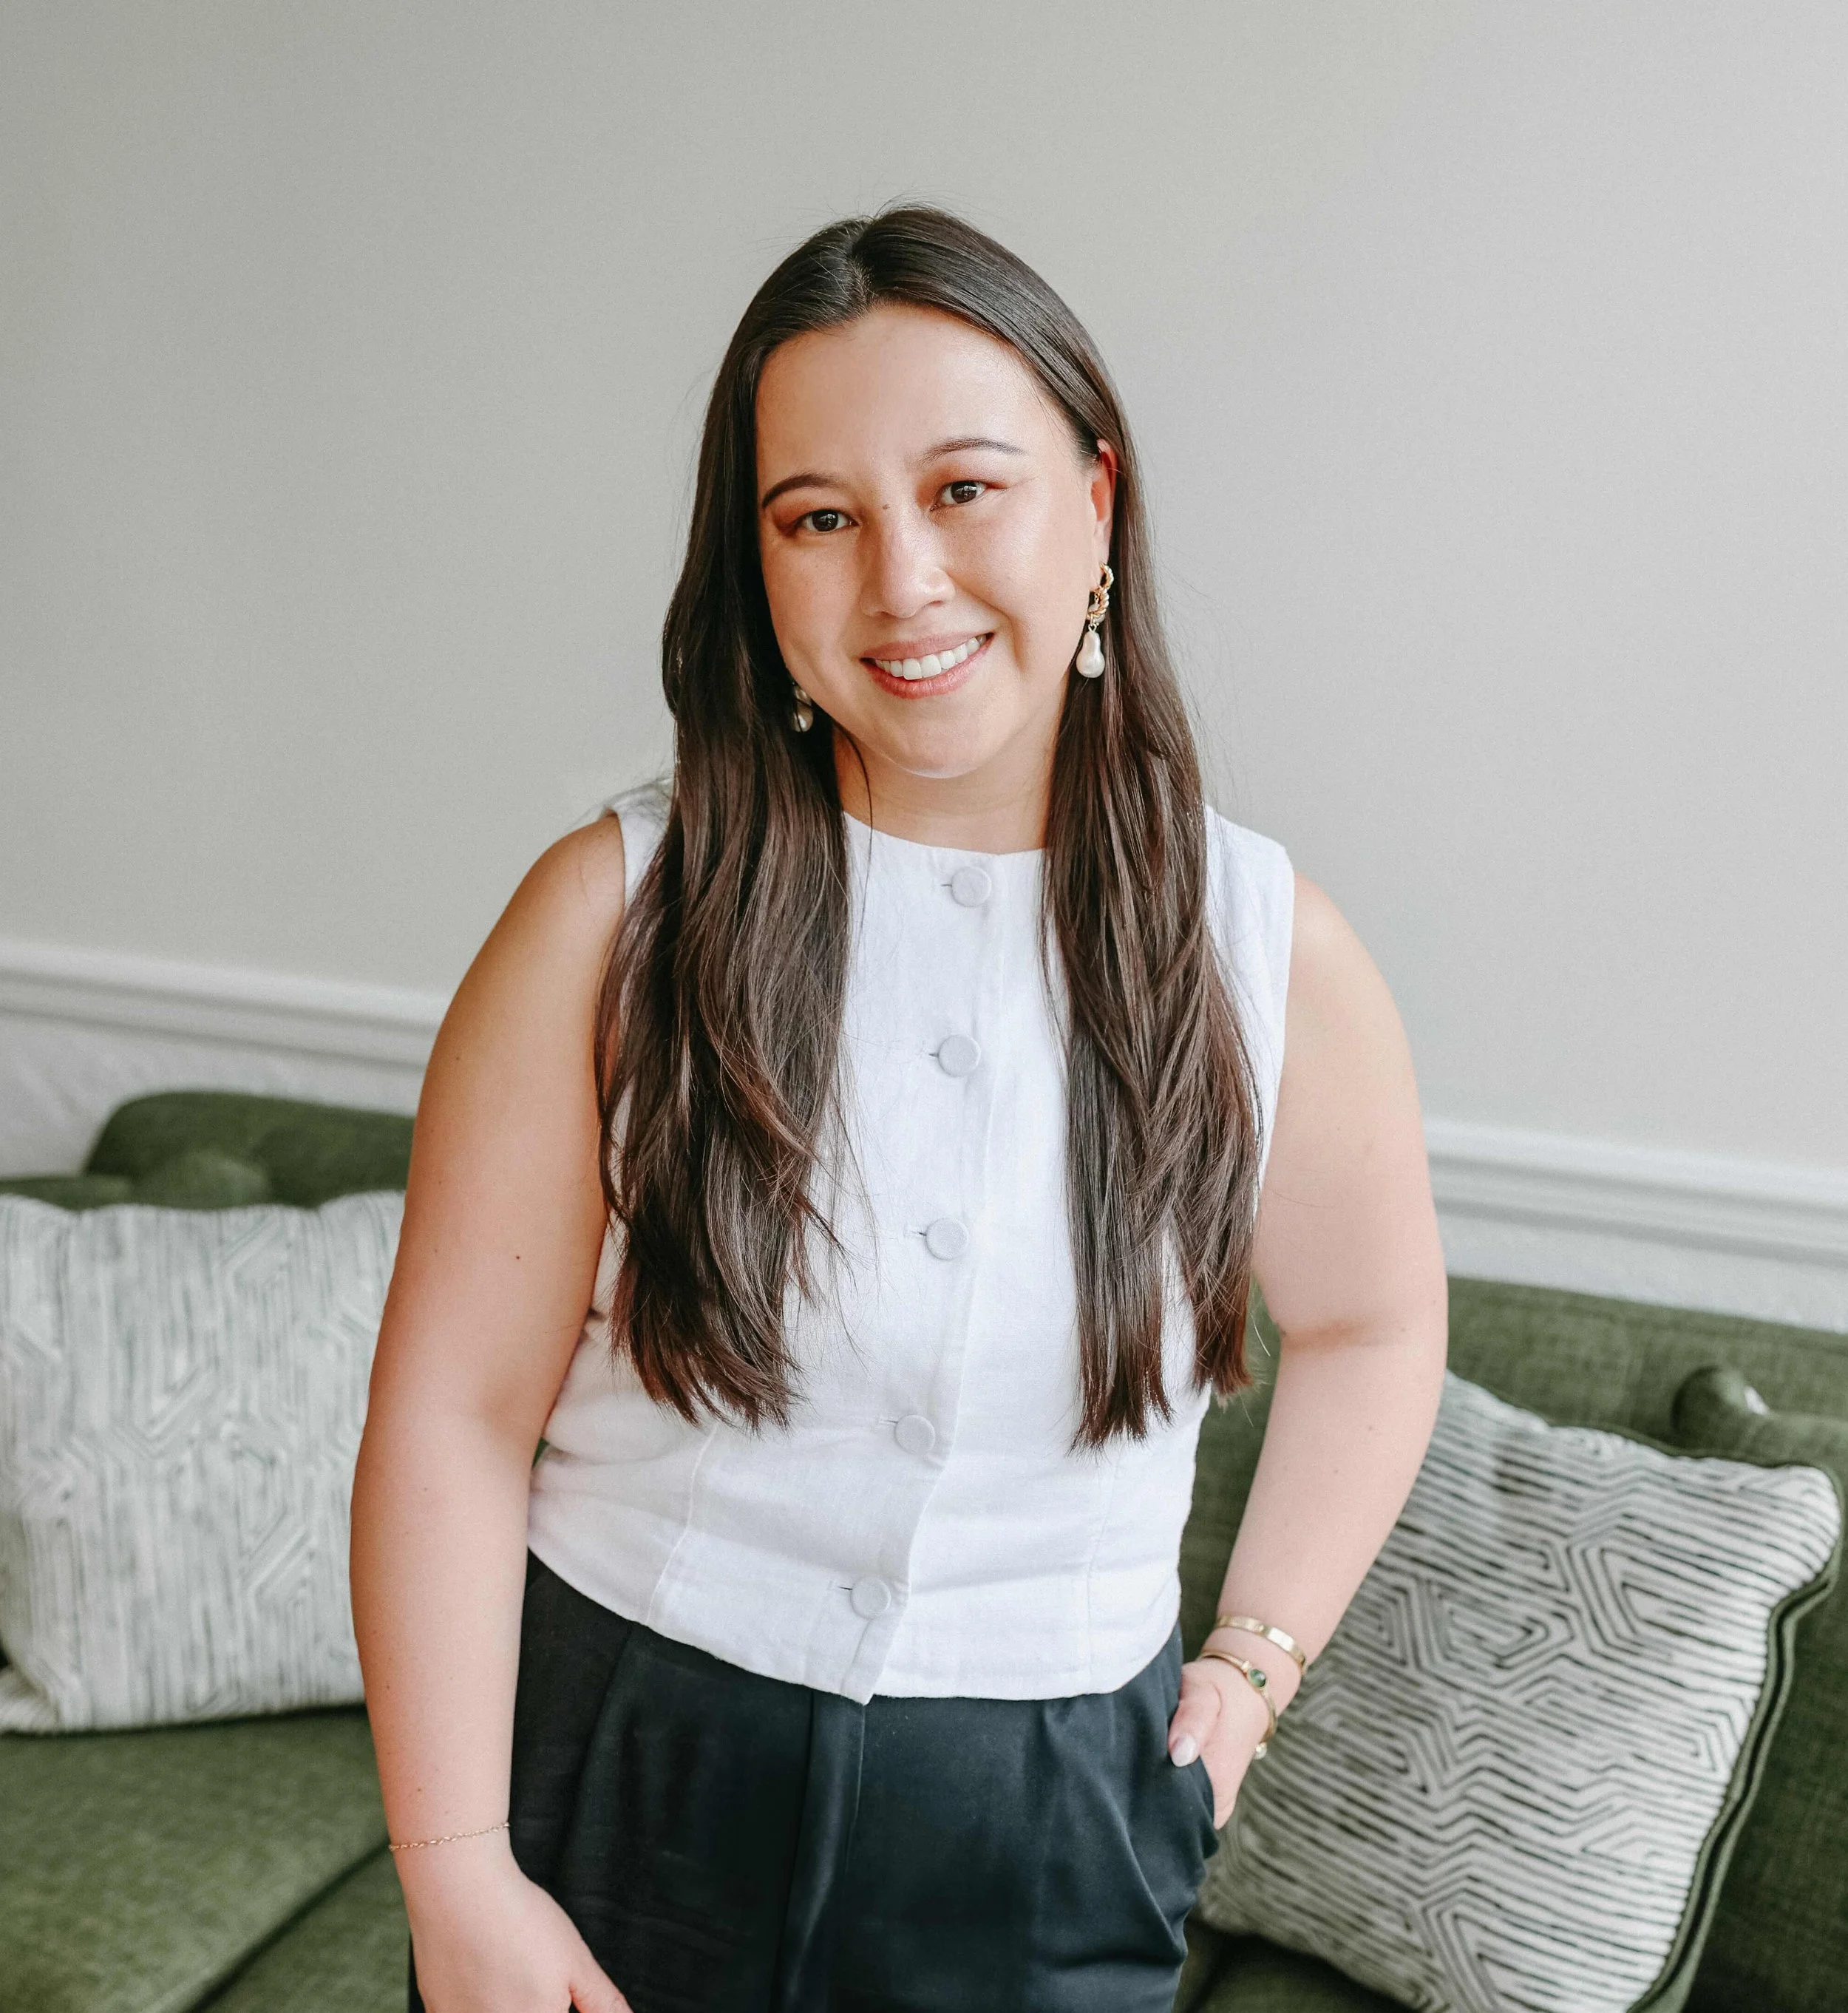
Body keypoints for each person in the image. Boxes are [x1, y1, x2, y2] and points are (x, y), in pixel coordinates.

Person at [349, 205, 1449, 2013]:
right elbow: (454, 1415)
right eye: (819, 518)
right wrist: (455, 1872)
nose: (901, 583)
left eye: (963, 489)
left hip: (1051, 1817)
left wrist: (1250, 1661)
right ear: (757, 571)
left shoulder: (1264, 949)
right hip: (618, 1759)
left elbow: (1372, 1316)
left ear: (1095, 504)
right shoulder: (607, 915)